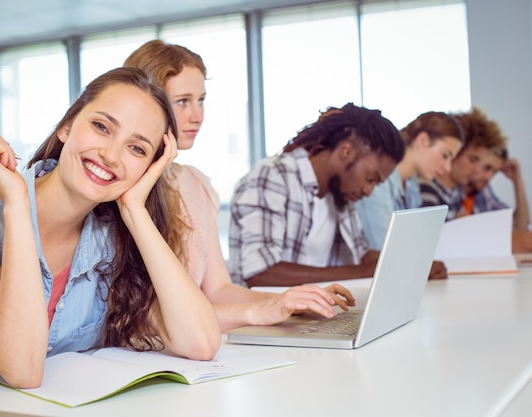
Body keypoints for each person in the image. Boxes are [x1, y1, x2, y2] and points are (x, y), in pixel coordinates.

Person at [0, 67, 221, 397]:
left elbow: (200, 342)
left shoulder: (110, 237)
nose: (111, 155)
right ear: (66, 127)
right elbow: (21, 368)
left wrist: (134, 209)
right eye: (101, 127)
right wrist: (15, 202)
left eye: (137, 149)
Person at [123, 40, 355, 331]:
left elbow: (218, 290)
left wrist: (292, 301)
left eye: (201, 100)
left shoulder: (195, 184)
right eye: (183, 101)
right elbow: (147, 316)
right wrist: (261, 312)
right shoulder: (124, 190)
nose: (198, 115)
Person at [229, 103, 406, 288]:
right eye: (370, 178)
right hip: (268, 314)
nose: (368, 192)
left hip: (317, 313)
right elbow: (260, 272)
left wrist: (410, 265)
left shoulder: (341, 195)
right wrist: (362, 272)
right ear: (346, 151)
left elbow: (361, 254)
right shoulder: (272, 176)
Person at [356, 111, 465, 251]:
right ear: (423, 141)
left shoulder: (411, 187)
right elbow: (384, 249)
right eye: (445, 156)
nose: (447, 168)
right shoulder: (377, 184)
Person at [418, 107, 506, 221]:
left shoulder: (455, 193)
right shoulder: (427, 190)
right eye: (472, 160)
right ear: (454, 153)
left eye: (480, 162)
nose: (477, 170)